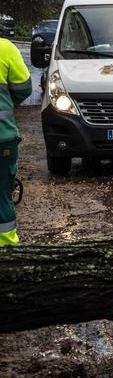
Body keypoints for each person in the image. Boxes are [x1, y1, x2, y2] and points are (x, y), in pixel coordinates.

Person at [0, 37, 32, 245]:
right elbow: (24, 88)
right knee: (2, 193)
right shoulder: (5, 47)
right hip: (2, 137)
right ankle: (7, 247)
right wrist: (8, 105)